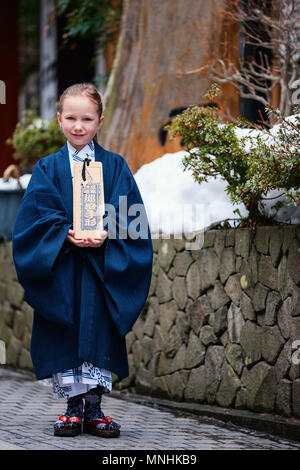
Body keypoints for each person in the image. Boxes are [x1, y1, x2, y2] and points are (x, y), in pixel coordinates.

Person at [12, 83, 153, 438]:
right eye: (71, 118)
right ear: (59, 119)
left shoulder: (115, 166)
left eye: (86, 119)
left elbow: (131, 217)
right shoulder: (47, 169)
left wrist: (110, 231)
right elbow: (34, 219)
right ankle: (72, 409)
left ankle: (95, 409)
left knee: (99, 335)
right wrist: (63, 233)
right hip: (64, 271)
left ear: (99, 121)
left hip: (102, 270)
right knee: (66, 334)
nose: (79, 126)